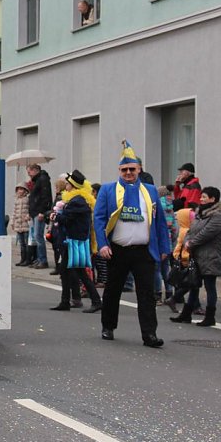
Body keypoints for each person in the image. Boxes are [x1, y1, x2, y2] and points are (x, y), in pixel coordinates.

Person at [94, 140, 171, 347]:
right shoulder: (108, 190)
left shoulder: (150, 190)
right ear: (119, 170)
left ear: (139, 170)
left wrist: (164, 248)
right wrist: (102, 244)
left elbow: (160, 222)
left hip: (144, 251)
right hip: (117, 250)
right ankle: (108, 326)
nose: (129, 172)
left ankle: (149, 334)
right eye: (124, 169)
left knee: (147, 294)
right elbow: (99, 219)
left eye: (132, 169)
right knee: (113, 290)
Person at [172, 187, 221, 327]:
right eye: (201, 197)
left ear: (213, 199)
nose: (201, 199)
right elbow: (190, 231)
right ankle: (186, 314)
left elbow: (207, 233)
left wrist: (192, 243)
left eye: (204, 197)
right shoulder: (199, 214)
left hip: (210, 256)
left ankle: (210, 316)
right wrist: (187, 241)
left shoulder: (217, 216)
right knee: (193, 285)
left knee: (210, 287)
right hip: (196, 256)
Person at [50, 170, 102, 313]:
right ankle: (65, 301)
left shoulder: (77, 201)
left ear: (73, 186)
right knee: (65, 272)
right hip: (73, 241)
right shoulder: (77, 200)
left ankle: (96, 301)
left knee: (80, 272)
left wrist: (55, 217)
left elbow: (67, 219)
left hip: (74, 241)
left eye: (67, 184)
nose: (66, 186)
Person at [26, 163, 53, 269]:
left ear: (35, 170)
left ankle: (43, 259)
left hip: (39, 212)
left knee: (38, 235)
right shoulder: (37, 180)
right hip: (35, 211)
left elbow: (45, 196)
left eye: (29, 172)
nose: (29, 174)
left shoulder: (43, 179)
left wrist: (42, 211)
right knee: (36, 236)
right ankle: (39, 258)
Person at [11, 182, 31, 266]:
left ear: (25, 190)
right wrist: (12, 222)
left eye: (21, 189)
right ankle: (22, 259)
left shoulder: (27, 199)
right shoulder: (17, 200)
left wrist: (28, 216)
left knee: (27, 243)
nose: (20, 191)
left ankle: (28, 259)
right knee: (21, 244)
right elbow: (14, 212)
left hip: (26, 224)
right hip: (18, 224)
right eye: (18, 189)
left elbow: (30, 210)